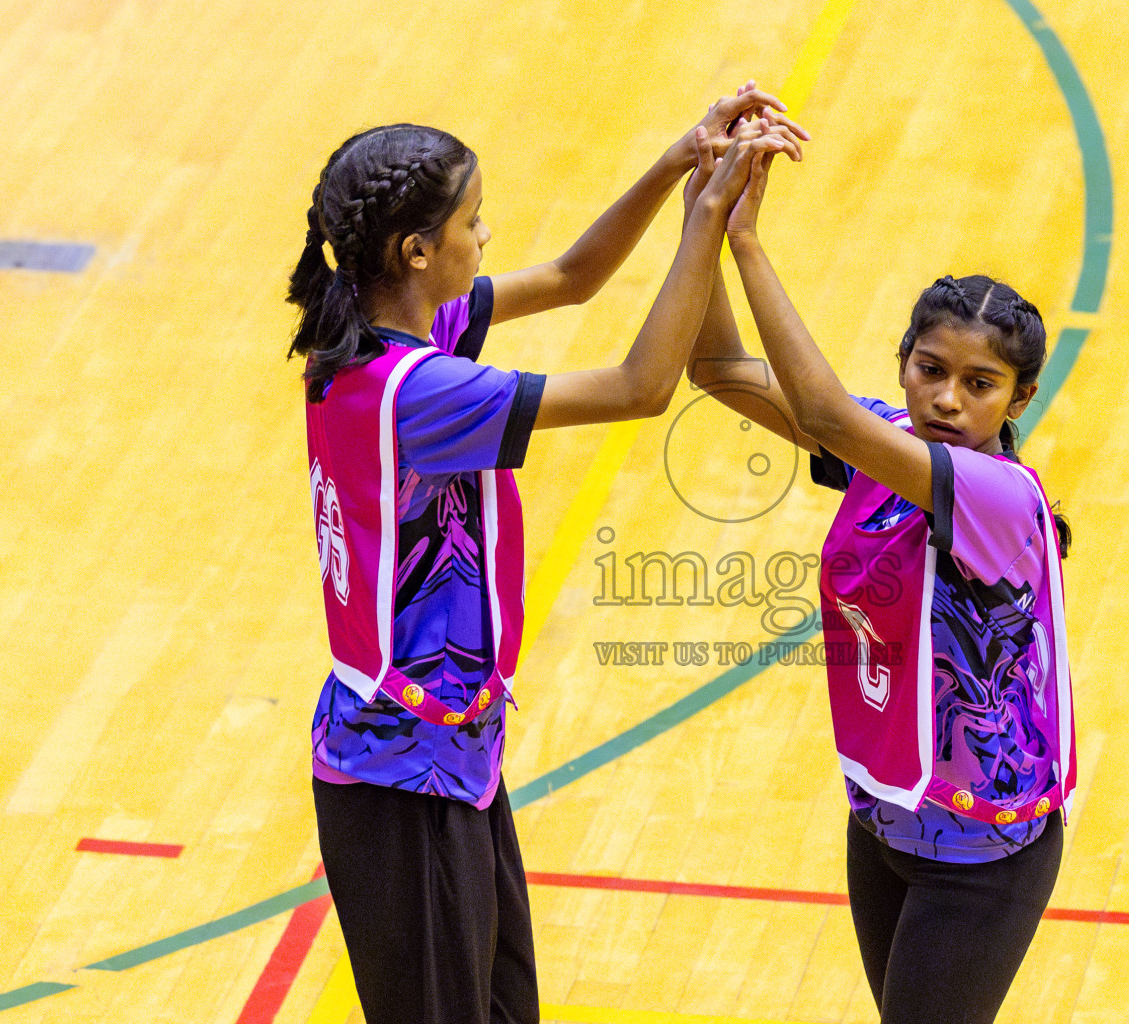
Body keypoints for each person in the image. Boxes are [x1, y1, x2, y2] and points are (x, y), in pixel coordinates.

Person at [287, 94, 804, 1024]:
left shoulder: (393, 330)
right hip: (403, 776)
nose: (486, 232)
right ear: (416, 251)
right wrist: (704, 225)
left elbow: (573, 276)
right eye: (473, 219)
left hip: (449, 758)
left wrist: (679, 160)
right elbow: (641, 386)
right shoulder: (419, 392)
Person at [684, 141, 1077, 1024]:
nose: (946, 400)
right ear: (904, 362)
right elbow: (717, 371)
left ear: (1018, 401)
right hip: (885, 819)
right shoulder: (888, 442)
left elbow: (821, 410)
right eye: (930, 370)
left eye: (980, 385)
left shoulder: (997, 495)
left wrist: (749, 240)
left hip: (984, 851)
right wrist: (700, 221)